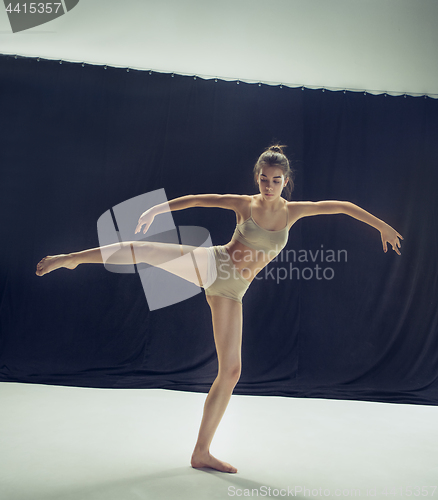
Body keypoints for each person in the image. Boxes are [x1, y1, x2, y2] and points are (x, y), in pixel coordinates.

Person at [36, 144, 403, 474]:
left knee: (231, 371)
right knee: (145, 250)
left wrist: (382, 225)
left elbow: (340, 207)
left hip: (233, 291)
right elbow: (198, 199)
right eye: (263, 178)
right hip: (215, 265)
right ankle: (71, 259)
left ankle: (201, 452)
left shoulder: (293, 212)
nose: (269, 185)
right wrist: (156, 209)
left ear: (286, 181)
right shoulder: (245, 204)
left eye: (276, 180)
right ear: (257, 177)